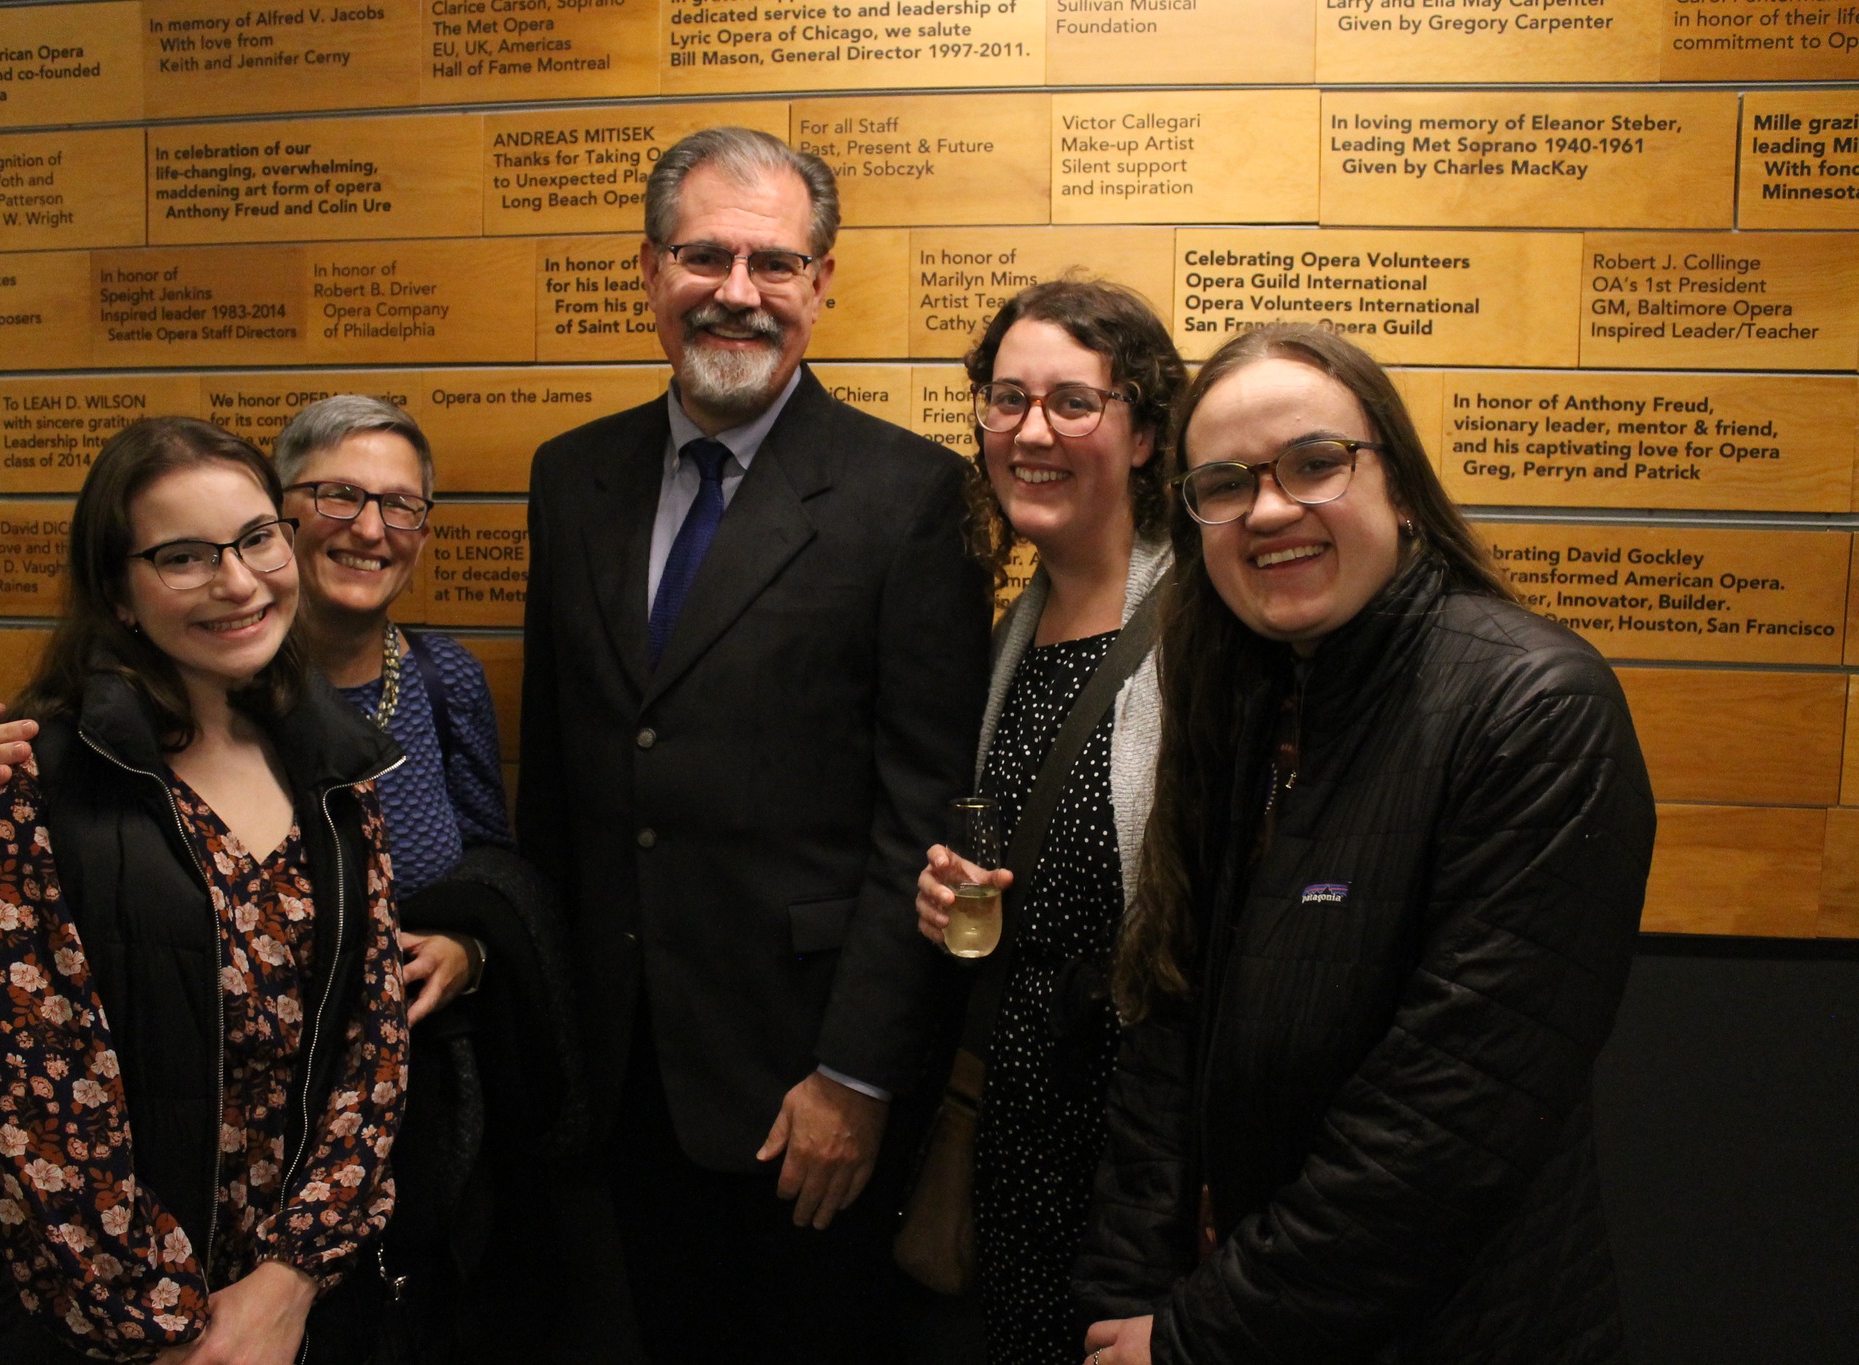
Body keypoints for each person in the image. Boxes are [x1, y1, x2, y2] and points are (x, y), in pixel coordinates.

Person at [1074, 325, 1655, 1365]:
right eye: (1223, 484)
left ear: (1394, 478)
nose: (1267, 510)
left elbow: (1439, 1138)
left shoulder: (1533, 709)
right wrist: (1125, 1296)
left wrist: (1193, 1338)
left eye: (1312, 464)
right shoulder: (1245, 691)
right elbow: (1169, 1027)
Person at [516, 125, 991, 1363]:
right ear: (647, 272)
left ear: (823, 285)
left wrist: (858, 1075)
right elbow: (559, 779)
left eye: (774, 264)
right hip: (617, 1073)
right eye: (703, 256)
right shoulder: (570, 479)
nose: (737, 292)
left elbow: (921, 812)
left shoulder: (911, 499)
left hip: (801, 1084)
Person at [0, 416, 406, 1363]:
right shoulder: (35, 783)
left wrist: (289, 1284)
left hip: (307, 1313)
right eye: (182, 557)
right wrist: (169, 1331)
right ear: (118, 591)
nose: (237, 582)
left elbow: (375, 1050)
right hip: (115, 1329)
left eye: (256, 538)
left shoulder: (335, 771)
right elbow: (32, 1106)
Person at [910, 278, 1183, 1363]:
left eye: (1074, 402)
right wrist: (944, 899)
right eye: (1006, 398)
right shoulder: (1004, 631)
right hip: (1015, 1126)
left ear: (1148, 433)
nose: (1031, 431)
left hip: (1141, 1144)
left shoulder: (1200, 627)